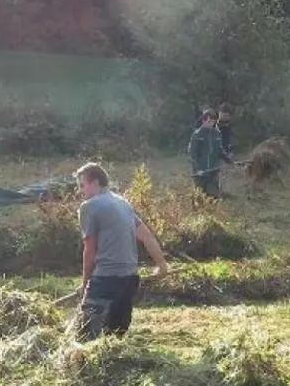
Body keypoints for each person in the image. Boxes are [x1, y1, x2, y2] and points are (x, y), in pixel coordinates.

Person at [74, 162, 170, 340]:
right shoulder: (123, 203)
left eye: (82, 185)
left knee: (85, 337)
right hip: (129, 280)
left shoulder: (89, 207)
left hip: (106, 279)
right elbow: (147, 236)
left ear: (95, 182)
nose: (80, 191)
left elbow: (90, 250)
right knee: (115, 338)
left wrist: (86, 283)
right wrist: (162, 265)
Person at [188, 108, 232, 198]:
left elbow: (220, 151)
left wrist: (229, 161)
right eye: (209, 121)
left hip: (213, 170)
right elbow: (193, 155)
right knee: (200, 197)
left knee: (214, 197)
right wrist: (198, 169)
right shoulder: (197, 135)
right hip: (201, 173)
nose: (211, 124)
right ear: (204, 121)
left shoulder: (217, 134)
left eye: (213, 122)